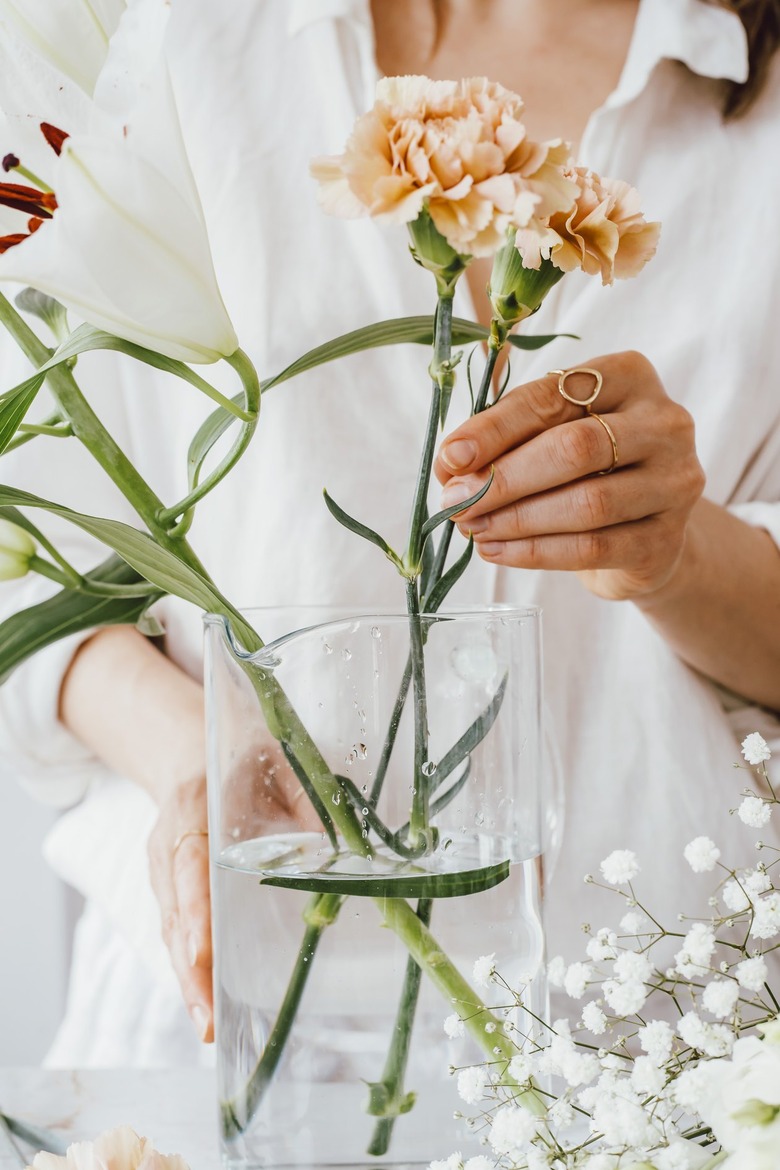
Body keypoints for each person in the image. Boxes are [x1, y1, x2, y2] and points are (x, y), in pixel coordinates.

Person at [1, 0, 779, 1065]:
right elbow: (28, 556)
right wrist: (198, 758)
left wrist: (671, 548)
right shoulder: (174, 33)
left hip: (664, 1053)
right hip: (228, 1032)